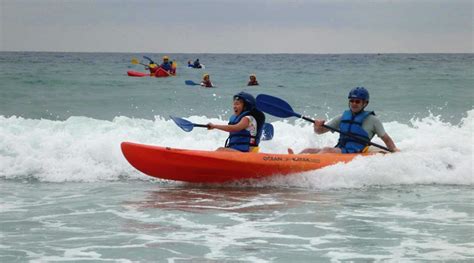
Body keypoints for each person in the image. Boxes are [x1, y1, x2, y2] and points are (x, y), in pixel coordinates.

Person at [288, 87, 399, 154]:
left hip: (356, 151)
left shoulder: (373, 120)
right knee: (308, 150)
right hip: (341, 149)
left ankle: (305, 164)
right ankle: (294, 159)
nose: (354, 104)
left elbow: (386, 139)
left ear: (365, 103)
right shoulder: (342, 117)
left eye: (357, 101)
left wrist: (394, 151)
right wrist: (317, 126)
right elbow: (320, 131)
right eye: (352, 101)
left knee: (327, 150)